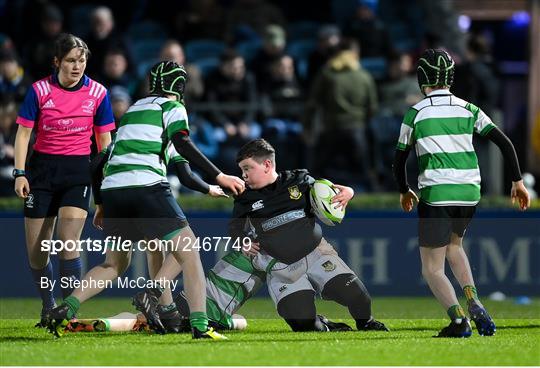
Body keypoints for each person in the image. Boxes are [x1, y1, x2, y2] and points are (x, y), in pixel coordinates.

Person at [47, 61, 244, 340]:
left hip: (114, 191)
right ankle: (200, 326)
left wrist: (101, 204)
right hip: (147, 187)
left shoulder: (133, 112)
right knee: (188, 251)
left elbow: (98, 163)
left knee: (114, 264)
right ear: (180, 88)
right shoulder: (172, 109)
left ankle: (67, 307)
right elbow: (183, 144)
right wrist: (220, 176)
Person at [392, 49, 530, 338]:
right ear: (450, 78)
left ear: (422, 78)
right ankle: (474, 300)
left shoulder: (416, 112)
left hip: (437, 192)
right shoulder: (469, 109)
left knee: (432, 268)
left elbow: (400, 159)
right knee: (455, 247)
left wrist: (405, 190)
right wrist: (517, 182)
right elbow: (504, 143)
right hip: (468, 192)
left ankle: (459, 320)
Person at [228, 139, 388, 332]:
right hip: (281, 267)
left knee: (357, 296)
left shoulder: (299, 180)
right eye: (241, 170)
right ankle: (324, 324)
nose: (243, 175)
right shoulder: (244, 198)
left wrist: (350, 192)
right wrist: (243, 241)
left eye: (247, 168)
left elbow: (331, 192)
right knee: (303, 324)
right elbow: (235, 228)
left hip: (317, 254)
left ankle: (366, 322)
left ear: (267, 165)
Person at [14, 33, 115, 326]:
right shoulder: (39, 90)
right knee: (37, 253)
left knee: (68, 242)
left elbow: (104, 143)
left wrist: (103, 190)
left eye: (82, 60)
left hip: (77, 174)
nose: (77, 66)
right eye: (71, 60)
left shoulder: (98, 93)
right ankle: (49, 306)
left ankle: (68, 311)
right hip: (41, 173)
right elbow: (23, 134)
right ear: (57, 61)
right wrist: (20, 172)